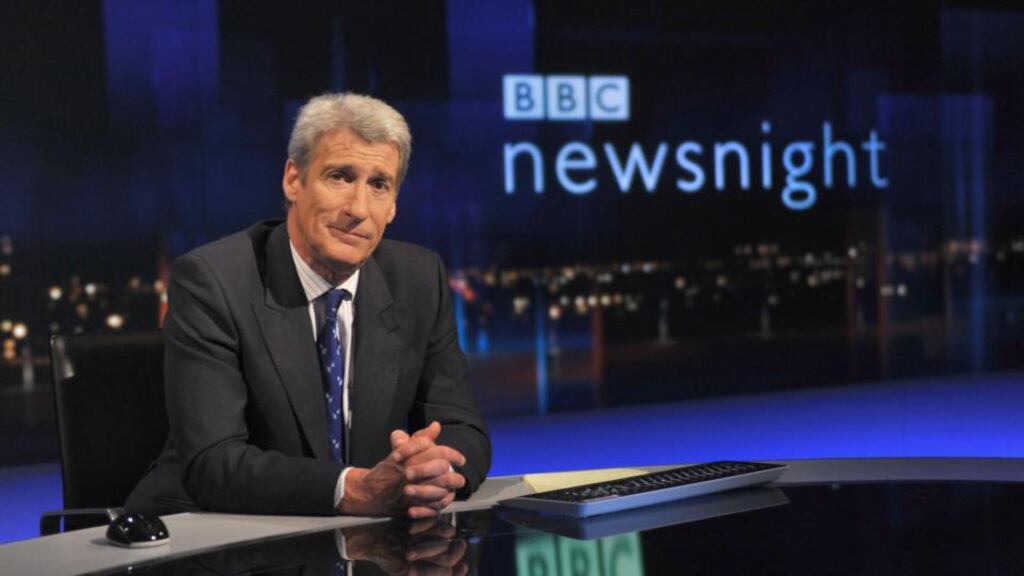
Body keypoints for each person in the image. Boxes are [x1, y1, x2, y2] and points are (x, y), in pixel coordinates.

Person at [127, 93, 491, 518]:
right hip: (212, 536)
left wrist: (434, 470)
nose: (358, 209)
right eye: (340, 176)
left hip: (359, 542)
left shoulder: (418, 278)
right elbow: (214, 462)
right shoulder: (213, 281)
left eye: (379, 185)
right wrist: (352, 488)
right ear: (293, 181)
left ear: (393, 206)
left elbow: (464, 428)